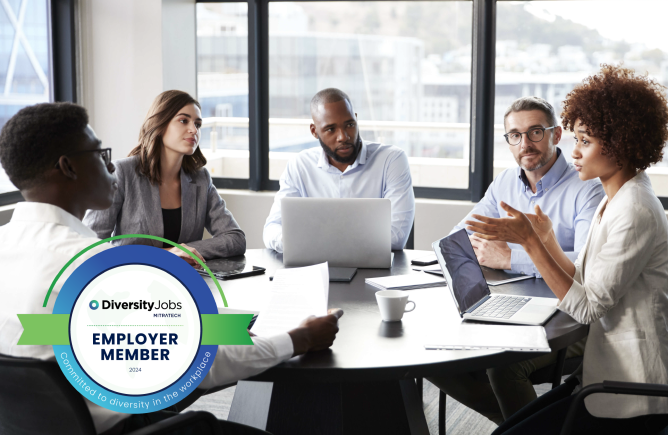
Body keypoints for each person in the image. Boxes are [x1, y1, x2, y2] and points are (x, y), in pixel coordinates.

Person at [0, 102, 343, 434]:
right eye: (100, 155)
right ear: (68, 167)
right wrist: (299, 338)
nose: (110, 167)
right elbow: (204, 363)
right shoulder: (91, 268)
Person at [467, 65, 668, 435]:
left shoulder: (634, 210)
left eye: (585, 140)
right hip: (606, 374)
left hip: (636, 390)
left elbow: (586, 307)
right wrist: (547, 239)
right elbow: (584, 278)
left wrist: (533, 245)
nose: (575, 151)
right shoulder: (615, 197)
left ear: (621, 143)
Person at [429, 97, 603, 424]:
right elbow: (461, 235)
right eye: (515, 135)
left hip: (574, 319)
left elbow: (583, 264)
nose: (525, 143)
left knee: (504, 364)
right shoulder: (506, 182)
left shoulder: (587, 188)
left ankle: (524, 426)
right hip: (516, 304)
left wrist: (511, 257)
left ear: (556, 134)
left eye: (535, 132)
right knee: (433, 355)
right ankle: (523, 426)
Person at [84, 90, 245, 266]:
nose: (194, 130)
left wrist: (183, 251)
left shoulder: (200, 178)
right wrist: (165, 254)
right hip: (131, 282)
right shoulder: (122, 172)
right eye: (183, 121)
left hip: (184, 282)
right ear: (160, 124)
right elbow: (90, 246)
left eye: (197, 124)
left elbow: (235, 238)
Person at [262, 88, 415, 252]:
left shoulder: (391, 160)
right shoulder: (299, 165)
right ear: (314, 131)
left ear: (356, 120)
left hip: (374, 272)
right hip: (315, 269)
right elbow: (272, 229)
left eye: (349, 125)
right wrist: (292, 241)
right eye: (330, 129)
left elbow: (396, 236)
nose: (343, 137)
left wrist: (309, 242)